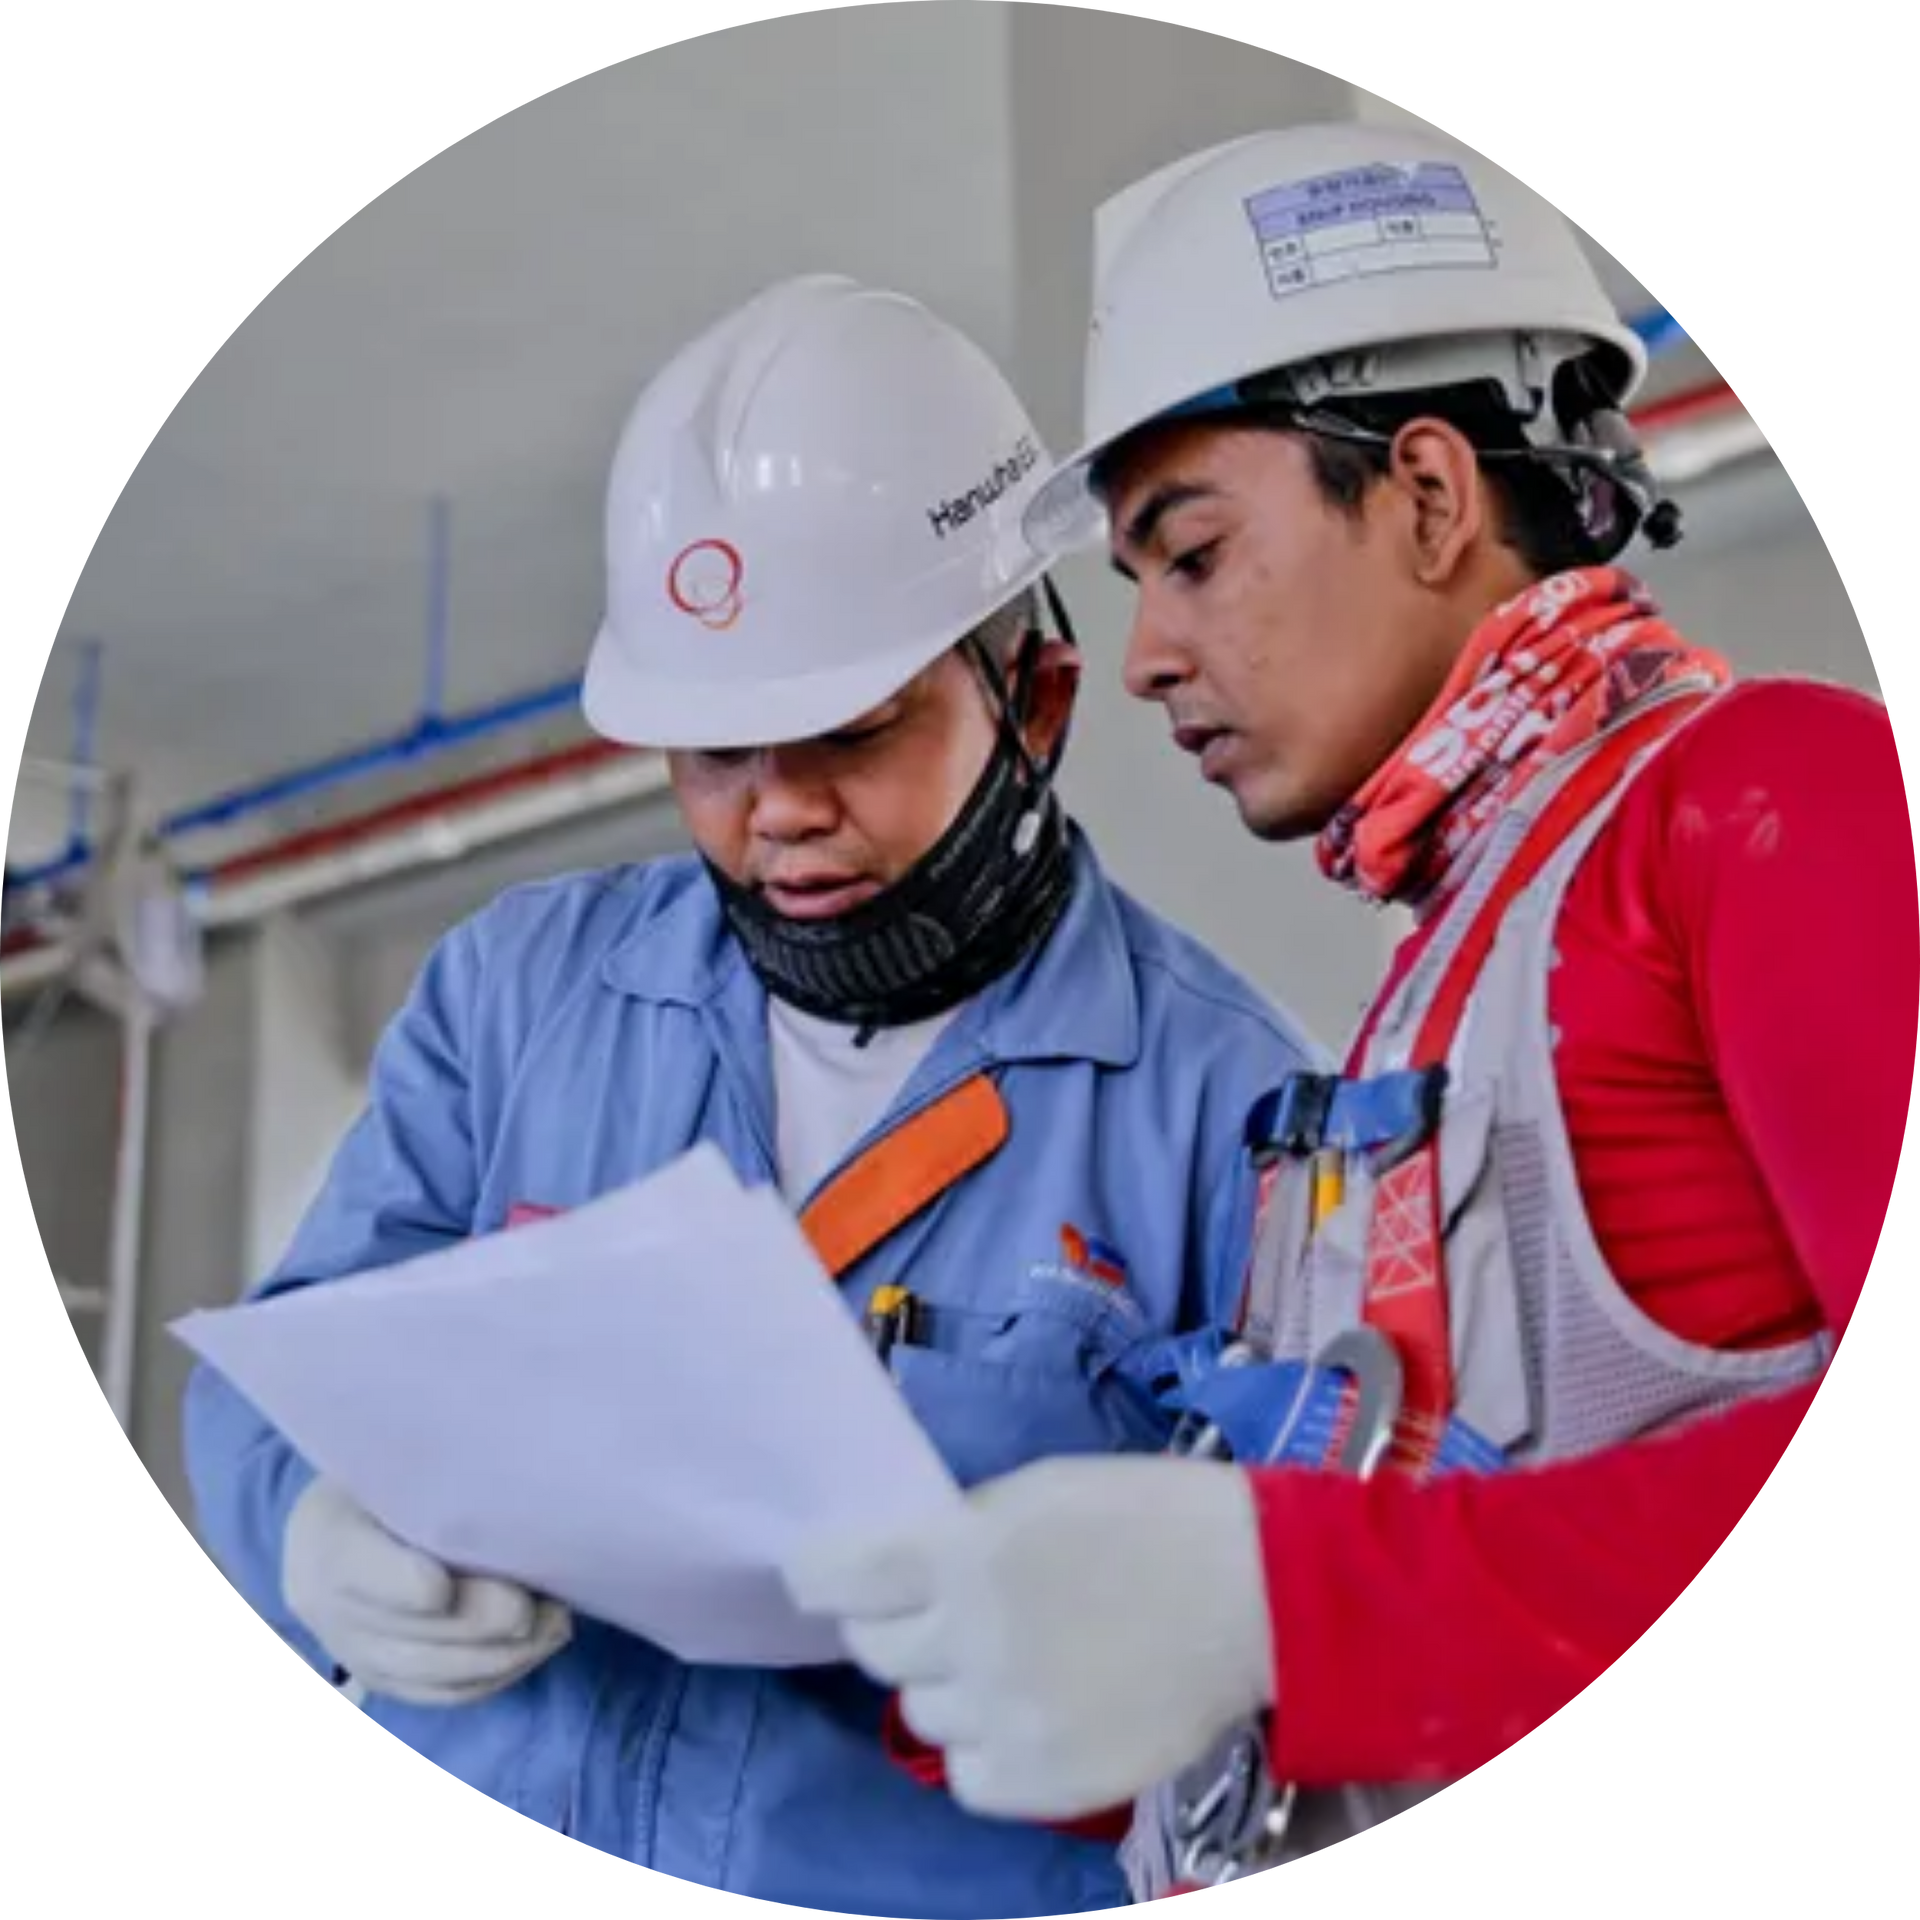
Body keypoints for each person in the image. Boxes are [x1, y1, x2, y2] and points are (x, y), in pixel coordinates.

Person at [782, 124, 1916, 1894]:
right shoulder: (1440, 984)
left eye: (1191, 552)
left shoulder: (1768, 802)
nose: (1146, 651)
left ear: (1432, 494)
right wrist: (1015, 1661)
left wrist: (1279, 1605)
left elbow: (1369, 1614)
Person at [180, 271, 1323, 1916]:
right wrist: (309, 1533)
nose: (775, 813)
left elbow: (1295, 1640)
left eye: (849, 734)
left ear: (1037, 702)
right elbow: (293, 1358)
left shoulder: (1232, 1109)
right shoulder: (518, 997)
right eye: (713, 752)